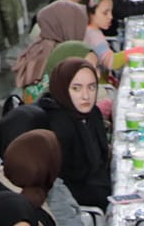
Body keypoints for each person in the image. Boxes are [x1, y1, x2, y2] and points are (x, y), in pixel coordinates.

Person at [35, 57, 111, 211]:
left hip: (97, 187)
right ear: (62, 87)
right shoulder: (57, 126)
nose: (85, 96)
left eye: (91, 87)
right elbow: (62, 184)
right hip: (76, 201)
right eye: (76, 88)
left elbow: (100, 162)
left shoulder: (92, 114)